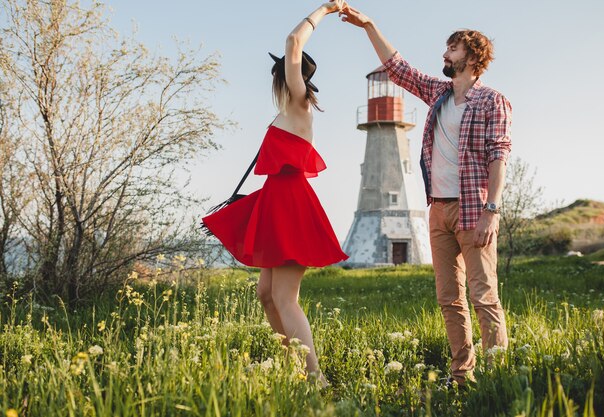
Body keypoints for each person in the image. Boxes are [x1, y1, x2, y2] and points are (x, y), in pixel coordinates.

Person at [340, 6, 512, 386]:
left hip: (474, 211)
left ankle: (500, 378)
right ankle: (461, 375)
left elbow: (499, 155)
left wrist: (492, 210)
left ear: (471, 56)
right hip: (438, 211)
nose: (444, 55)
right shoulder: (439, 94)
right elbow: (398, 68)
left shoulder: (492, 101)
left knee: (484, 297)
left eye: (451, 50)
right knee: (450, 300)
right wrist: (369, 24)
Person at [202, 1, 348, 386]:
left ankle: (316, 379)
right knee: (266, 293)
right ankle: (294, 367)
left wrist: (325, 10)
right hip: (275, 203)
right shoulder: (284, 111)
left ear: (287, 74)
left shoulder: (300, 105)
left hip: (291, 205)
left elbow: (292, 41)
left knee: (285, 298)